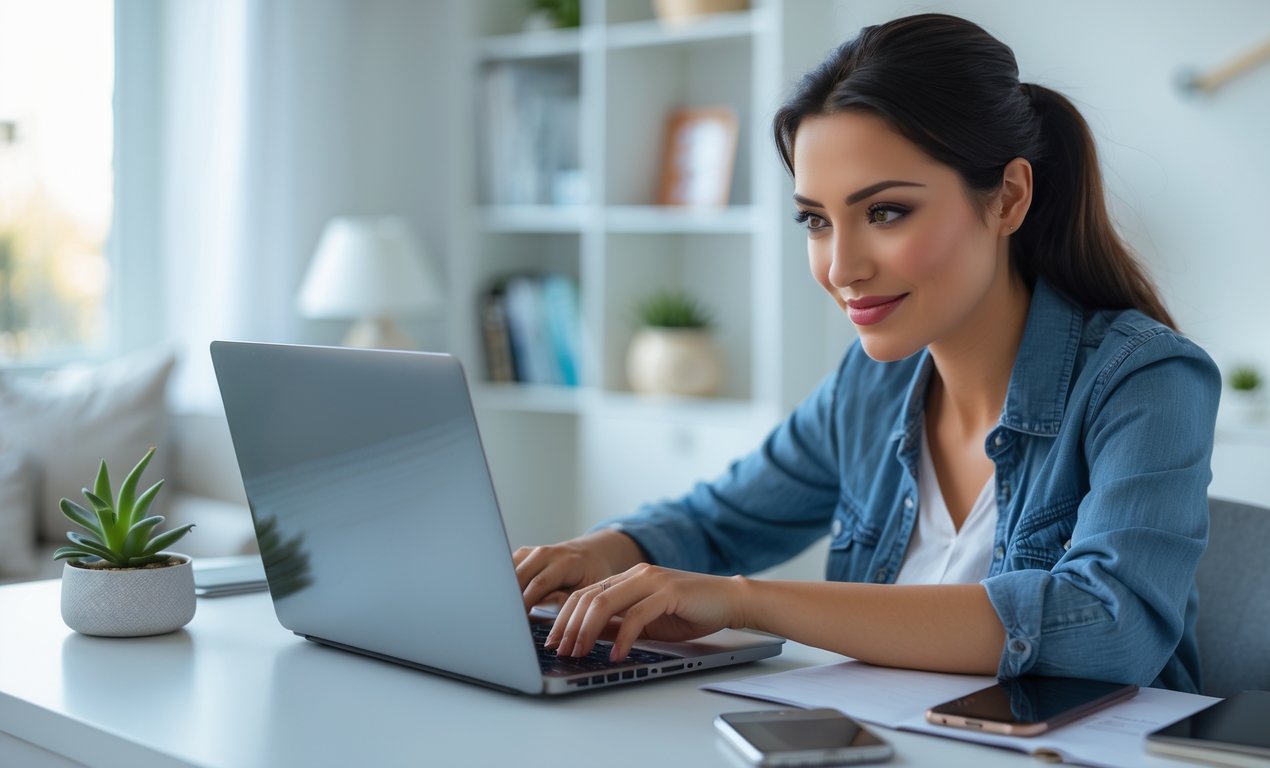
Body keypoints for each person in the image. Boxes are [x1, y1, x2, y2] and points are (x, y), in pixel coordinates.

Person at [512, 13, 1220, 693]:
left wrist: (745, 601)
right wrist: (599, 553)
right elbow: (720, 520)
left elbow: (1110, 625)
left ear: (1006, 198)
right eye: (816, 221)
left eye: (885, 212)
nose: (841, 267)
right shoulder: (873, 385)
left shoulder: (1144, 378)